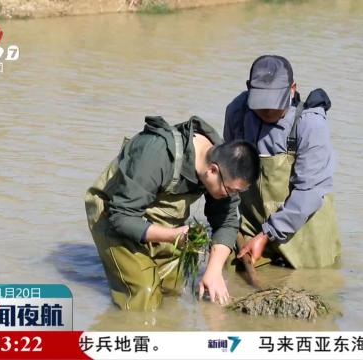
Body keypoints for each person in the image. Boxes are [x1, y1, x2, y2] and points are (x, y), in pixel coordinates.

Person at [85, 115, 260, 311]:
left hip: (155, 214)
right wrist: (172, 236)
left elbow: (227, 221)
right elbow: (121, 217)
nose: (231, 196)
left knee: (173, 287)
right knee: (145, 294)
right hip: (114, 211)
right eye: (231, 191)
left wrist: (214, 270)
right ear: (212, 170)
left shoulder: (223, 164)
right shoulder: (157, 154)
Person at [224, 55, 341, 269]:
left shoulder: (310, 124)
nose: (267, 110)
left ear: (293, 89)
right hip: (253, 225)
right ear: (249, 89)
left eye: (274, 102)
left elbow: (309, 192)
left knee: (314, 284)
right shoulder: (237, 113)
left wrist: (268, 234)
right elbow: (229, 175)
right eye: (261, 103)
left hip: (305, 232)